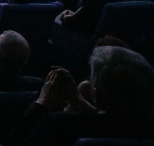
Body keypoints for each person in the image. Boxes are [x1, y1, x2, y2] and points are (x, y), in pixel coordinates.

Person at [10, 46, 154, 146]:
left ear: (96, 95)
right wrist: (78, 100)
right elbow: (117, 124)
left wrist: (40, 104)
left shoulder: (59, 126)